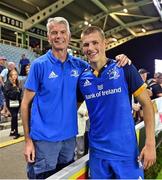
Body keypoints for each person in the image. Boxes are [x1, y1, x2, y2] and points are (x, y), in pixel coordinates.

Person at [21, 17, 131, 179]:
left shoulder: (79, 65)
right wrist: (28, 141)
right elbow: (25, 105)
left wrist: (120, 60)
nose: (58, 36)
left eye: (62, 32)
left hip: (69, 139)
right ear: (48, 37)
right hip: (44, 142)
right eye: (54, 33)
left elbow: (101, 64)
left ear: (69, 36)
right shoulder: (39, 65)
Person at [77, 26, 156, 179]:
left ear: (104, 43)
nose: (90, 48)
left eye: (95, 42)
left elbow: (147, 105)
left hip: (126, 155)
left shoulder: (123, 68)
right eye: (86, 44)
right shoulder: (82, 79)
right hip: (98, 157)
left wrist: (150, 143)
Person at [3, 69, 22, 139]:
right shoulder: (8, 83)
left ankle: (12, 131)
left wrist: (17, 90)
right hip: (11, 103)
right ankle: (16, 132)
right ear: (10, 76)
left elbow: (20, 91)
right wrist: (15, 88)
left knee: (14, 117)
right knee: (15, 116)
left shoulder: (17, 82)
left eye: (16, 75)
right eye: (13, 75)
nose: (15, 76)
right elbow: (8, 94)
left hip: (17, 103)